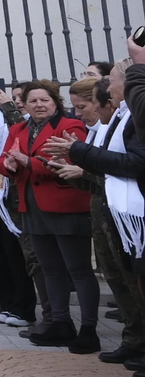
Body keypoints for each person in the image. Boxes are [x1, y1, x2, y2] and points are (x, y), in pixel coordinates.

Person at [45, 71, 145, 363]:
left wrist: (79, 156)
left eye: (83, 106)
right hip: (106, 212)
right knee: (117, 279)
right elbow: (103, 171)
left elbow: (131, 166)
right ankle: (134, 338)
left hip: (127, 216)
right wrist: (74, 163)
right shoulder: (106, 125)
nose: (78, 113)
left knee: (133, 281)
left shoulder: (130, 122)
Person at [0, 79, 97, 352]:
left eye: (44, 100)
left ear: (55, 102)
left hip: (66, 207)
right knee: (49, 270)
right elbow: (4, 159)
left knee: (78, 271)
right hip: (32, 208)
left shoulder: (70, 126)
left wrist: (31, 163)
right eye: (33, 101)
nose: (39, 105)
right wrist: (7, 164)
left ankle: (89, 329)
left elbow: (74, 163)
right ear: (24, 105)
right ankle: (60, 324)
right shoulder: (18, 128)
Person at [0, 78, 47, 331]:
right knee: (3, 253)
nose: (15, 101)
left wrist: (8, 107)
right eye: (14, 97)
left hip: (25, 200)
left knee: (23, 257)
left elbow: (25, 138)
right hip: (1, 197)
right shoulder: (5, 124)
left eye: (19, 98)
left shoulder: (28, 124)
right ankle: (9, 303)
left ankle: (28, 309)